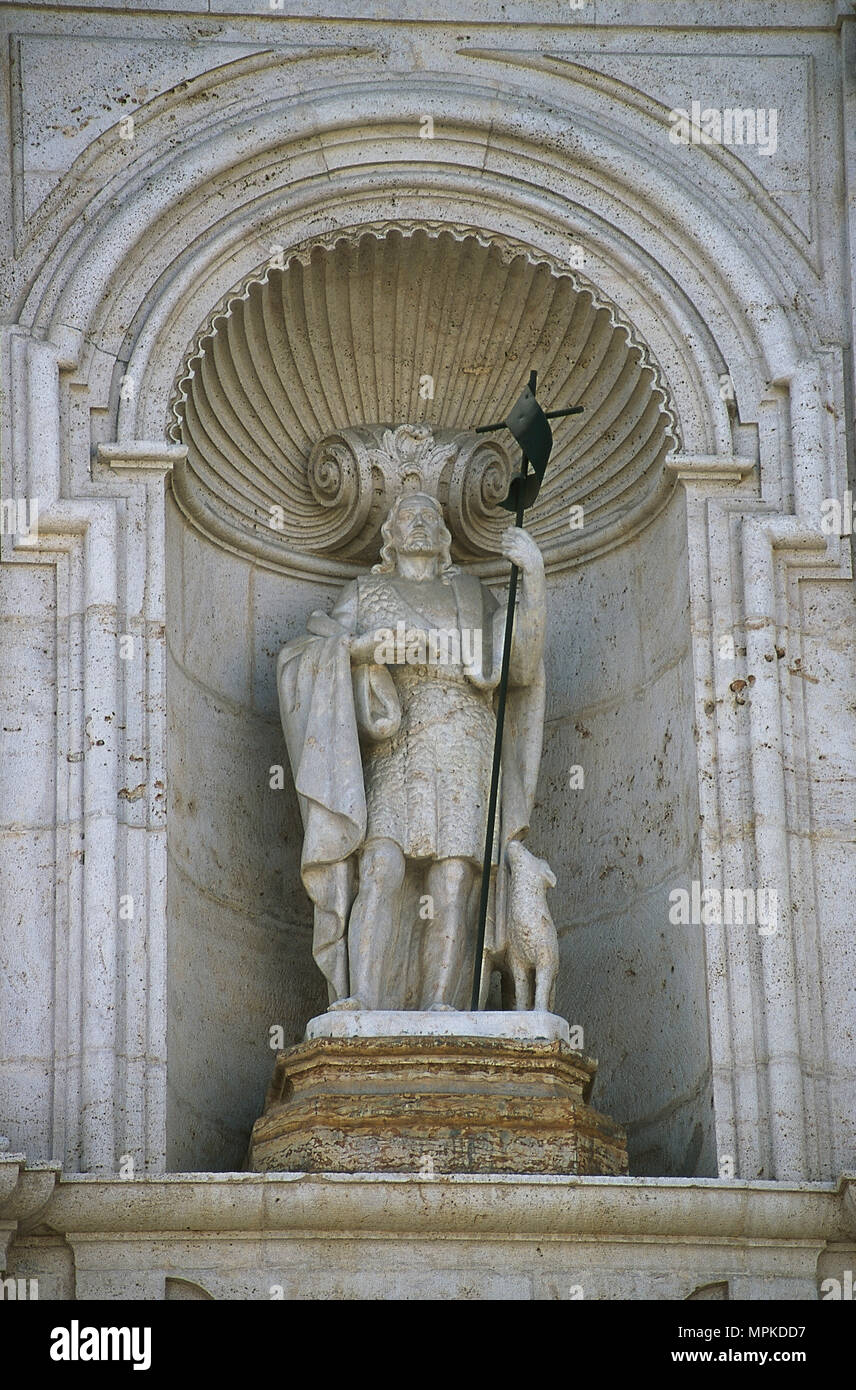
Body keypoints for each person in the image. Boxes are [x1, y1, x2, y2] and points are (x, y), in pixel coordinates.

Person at [278, 489, 547, 1011]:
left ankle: (442, 1006)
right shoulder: (364, 592)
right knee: (380, 866)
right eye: (408, 517)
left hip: (467, 742)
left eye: (430, 516)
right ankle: (361, 999)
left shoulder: (473, 595)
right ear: (391, 535)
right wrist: (362, 650)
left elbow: (520, 666)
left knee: (454, 878)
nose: (420, 523)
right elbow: (308, 655)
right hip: (398, 744)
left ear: (445, 536)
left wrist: (533, 579)